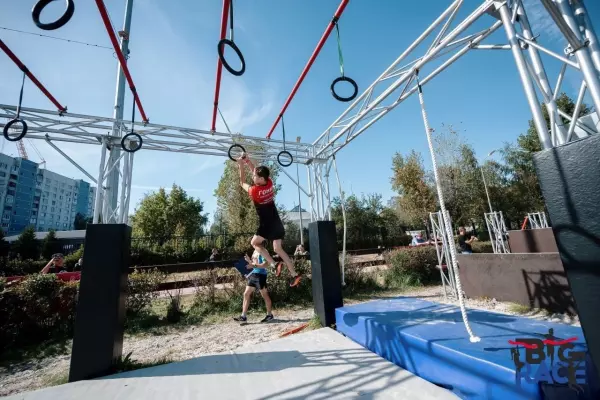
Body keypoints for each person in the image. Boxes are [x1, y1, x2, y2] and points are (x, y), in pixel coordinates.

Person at [236, 152, 302, 287]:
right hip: (277, 223)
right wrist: (248, 161)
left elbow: (242, 182)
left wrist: (240, 165)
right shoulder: (269, 183)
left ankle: (274, 263)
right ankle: (294, 275)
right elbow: (256, 171)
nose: (253, 176)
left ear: (260, 179)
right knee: (278, 249)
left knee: (254, 243)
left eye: (255, 176)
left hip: (267, 224)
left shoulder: (255, 191)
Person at [233, 249, 274, 324]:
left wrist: (253, 265)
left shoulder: (264, 251)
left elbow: (266, 264)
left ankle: (269, 315)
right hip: (253, 274)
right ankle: (243, 316)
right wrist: (249, 261)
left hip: (261, 275)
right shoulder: (255, 251)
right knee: (246, 294)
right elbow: (254, 264)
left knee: (264, 295)